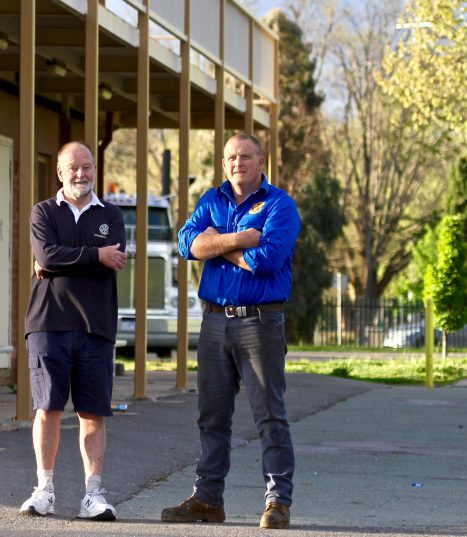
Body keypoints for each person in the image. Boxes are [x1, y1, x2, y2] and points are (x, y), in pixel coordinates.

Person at [161, 133, 300, 530]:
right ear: (224, 164)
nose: (237, 163)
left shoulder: (279, 205)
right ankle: (207, 499)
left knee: (269, 415)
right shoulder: (211, 199)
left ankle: (277, 502)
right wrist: (239, 239)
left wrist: (215, 244)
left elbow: (268, 260)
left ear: (261, 161)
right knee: (212, 415)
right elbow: (187, 242)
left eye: (245, 156)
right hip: (214, 322)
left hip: (260, 322)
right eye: (231, 157)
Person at [19, 141, 127, 521]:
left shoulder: (111, 215)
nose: (81, 174)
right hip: (49, 323)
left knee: (92, 412)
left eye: (87, 167)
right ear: (60, 173)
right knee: (47, 408)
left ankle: (92, 496)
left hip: (96, 326)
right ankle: (43, 490)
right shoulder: (43, 212)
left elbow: (111, 259)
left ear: (95, 170)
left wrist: (64, 260)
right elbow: (47, 255)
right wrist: (95, 254)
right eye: (73, 168)